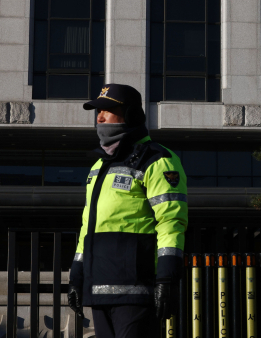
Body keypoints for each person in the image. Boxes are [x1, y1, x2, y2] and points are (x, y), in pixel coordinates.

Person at [67, 84, 188, 338]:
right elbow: (87, 226)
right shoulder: (99, 165)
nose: (99, 117)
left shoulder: (158, 160)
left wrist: (166, 279)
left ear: (131, 115)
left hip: (137, 290)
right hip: (99, 288)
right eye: (97, 112)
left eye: (107, 110)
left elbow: (171, 221)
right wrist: (77, 276)